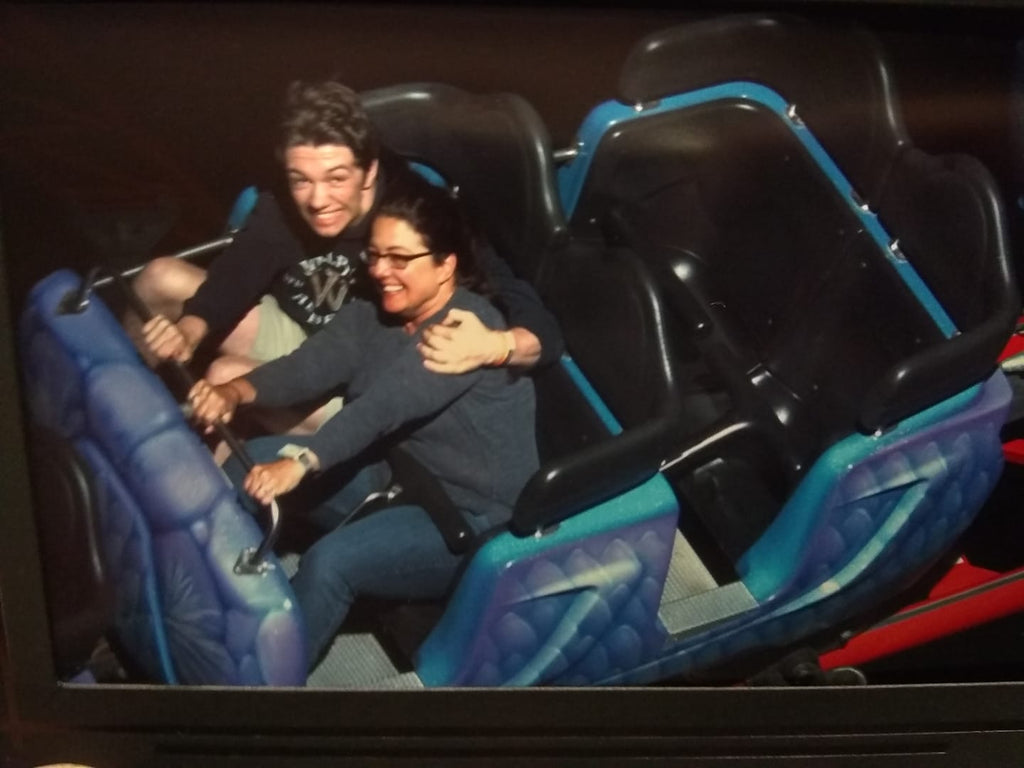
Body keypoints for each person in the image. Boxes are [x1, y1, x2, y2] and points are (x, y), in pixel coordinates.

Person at [187, 174, 539, 668]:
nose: (381, 271)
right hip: (401, 474)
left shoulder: (463, 331)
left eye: (400, 259)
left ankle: (257, 681)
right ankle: (210, 600)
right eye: (374, 255)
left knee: (331, 564)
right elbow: (308, 367)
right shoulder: (376, 311)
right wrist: (234, 391)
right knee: (252, 463)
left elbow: (382, 409)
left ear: (446, 267)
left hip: (469, 518)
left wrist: (304, 462)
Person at [135, 79, 561, 433]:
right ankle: (123, 409)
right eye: (301, 179)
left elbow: (539, 324)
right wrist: (189, 331)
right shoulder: (291, 198)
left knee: (225, 377)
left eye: (337, 178)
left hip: (355, 379)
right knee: (158, 278)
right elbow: (240, 268)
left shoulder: (420, 218)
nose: (317, 200)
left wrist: (497, 345)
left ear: (369, 171)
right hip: (300, 329)